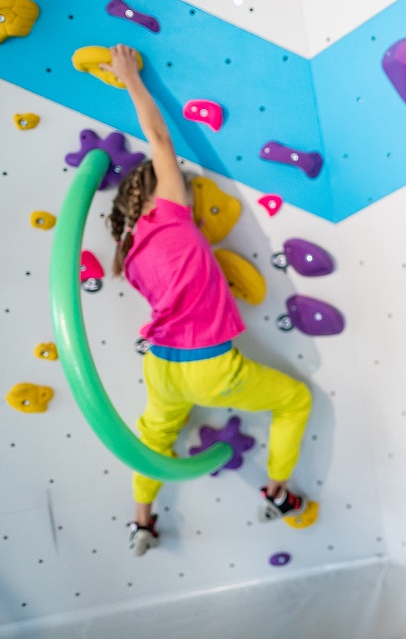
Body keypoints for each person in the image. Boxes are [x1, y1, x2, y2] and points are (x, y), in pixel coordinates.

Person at [103, 44, 313, 555]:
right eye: (186, 191)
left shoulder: (129, 253)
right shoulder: (171, 212)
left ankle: (142, 522)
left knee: (154, 438)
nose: (194, 201)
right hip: (209, 367)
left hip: (161, 367)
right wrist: (131, 77)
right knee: (295, 400)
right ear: (159, 190)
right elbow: (158, 136)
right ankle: (279, 492)